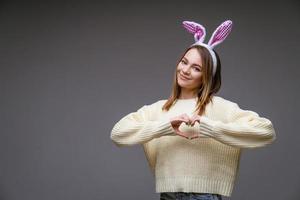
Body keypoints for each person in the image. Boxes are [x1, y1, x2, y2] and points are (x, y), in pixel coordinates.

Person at [110, 19, 276, 200]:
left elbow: (266, 131)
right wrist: (164, 127)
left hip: (206, 196)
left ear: (206, 77)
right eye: (184, 62)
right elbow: (118, 134)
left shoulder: (220, 107)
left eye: (196, 68)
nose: (185, 70)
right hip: (169, 195)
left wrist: (211, 128)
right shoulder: (159, 109)